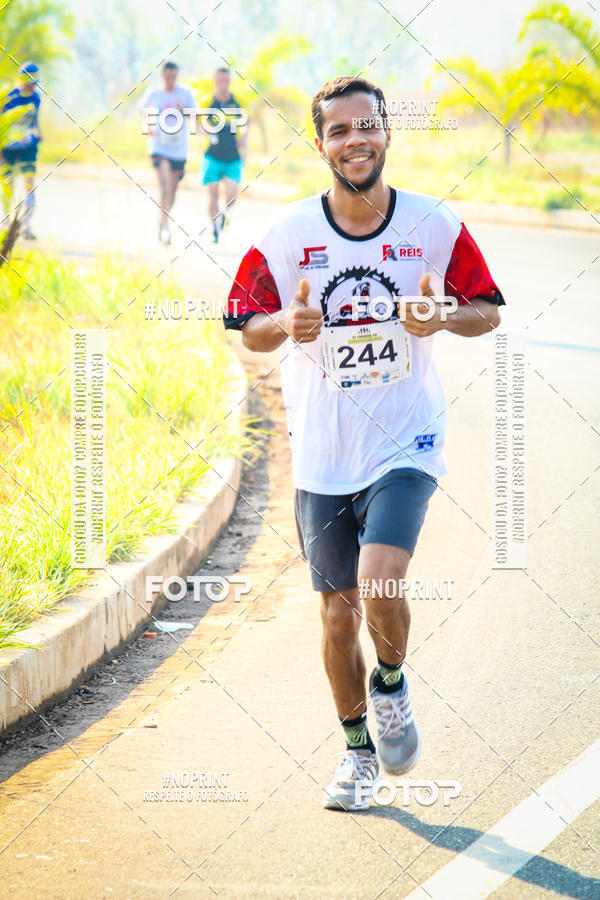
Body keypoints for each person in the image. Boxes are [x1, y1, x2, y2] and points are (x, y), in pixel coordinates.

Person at [223, 76, 505, 811]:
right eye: (340, 131)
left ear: (387, 133)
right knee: (337, 612)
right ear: (320, 145)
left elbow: (488, 312)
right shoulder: (286, 237)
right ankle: (356, 754)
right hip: (322, 451)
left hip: (405, 439)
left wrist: (439, 314)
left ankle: (391, 684)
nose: (356, 141)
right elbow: (243, 327)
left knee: (380, 580)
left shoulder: (433, 223)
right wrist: (287, 324)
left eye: (367, 127)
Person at [139, 61, 196, 245]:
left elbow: (195, 115)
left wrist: (184, 111)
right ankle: (165, 227)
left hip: (178, 149)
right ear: (162, 76)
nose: (171, 80)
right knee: (163, 186)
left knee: (172, 190)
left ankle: (162, 218)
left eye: (174, 77)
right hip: (159, 146)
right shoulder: (154, 94)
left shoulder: (185, 93)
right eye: (168, 77)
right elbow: (142, 110)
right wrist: (149, 126)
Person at [199, 67, 247, 243]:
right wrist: (205, 131)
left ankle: (223, 214)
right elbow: (197, 126)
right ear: (215, 81)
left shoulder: (238, 103)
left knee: (232, 197)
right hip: (212, 156)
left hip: (233, 157)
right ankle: (214, 228)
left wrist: (244, 149)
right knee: (212, 195)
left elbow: (245, 128)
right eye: (220, 80)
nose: (223, 84)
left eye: (226, 80)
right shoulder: (207, 103)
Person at [1, 61, 42, 240]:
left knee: (29, 185)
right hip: (8, 148)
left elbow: (34, 121)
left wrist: (39, 133)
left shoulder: (36, 98)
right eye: (30, 82)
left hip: (28, 146)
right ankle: (7, 223)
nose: (32, 87)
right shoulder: (9, 97)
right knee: (8, 185)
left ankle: (26, 226)